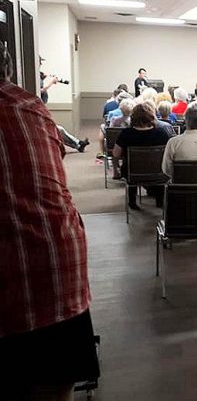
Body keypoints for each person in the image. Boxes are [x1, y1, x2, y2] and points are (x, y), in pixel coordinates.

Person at [0, 43, 100, 401]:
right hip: (60, 266)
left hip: (26, 276)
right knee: (55, 386)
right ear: (8, 69)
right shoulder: (33, 108)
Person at [114, 103, 171, 209]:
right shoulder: (161, 133)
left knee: (131, 166)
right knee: (159, 168)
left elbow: (115, 153)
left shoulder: (126, 134)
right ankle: (160, 201)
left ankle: (132, 202)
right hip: (158, 173)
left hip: (132, 174)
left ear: (133, 117)